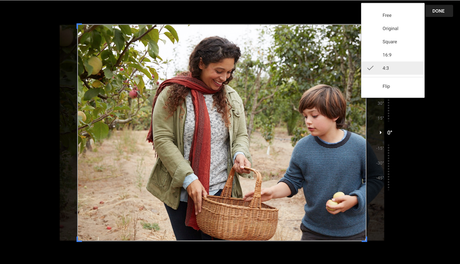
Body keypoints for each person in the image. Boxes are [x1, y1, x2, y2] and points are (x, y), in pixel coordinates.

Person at [146, 36, 252, 240]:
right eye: (219, 71)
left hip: (221, 192)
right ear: (201, 63)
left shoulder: (231, 97)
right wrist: (189, 178)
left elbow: (240, 135)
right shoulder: (171, 94)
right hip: (182, 192)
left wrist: (240, 153)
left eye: (229, 72)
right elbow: (163, 139)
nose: (224, 77)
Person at [244, 84, 382, 240]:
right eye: (305, 116)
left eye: (314, 115)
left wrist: (355, 199)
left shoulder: (359, 145)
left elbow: (376, 178)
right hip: (313, 232)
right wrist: (273, 192)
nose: (308, 121)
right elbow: (292, 181)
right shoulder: (303, 147)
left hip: (354, 233)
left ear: (335, 114)